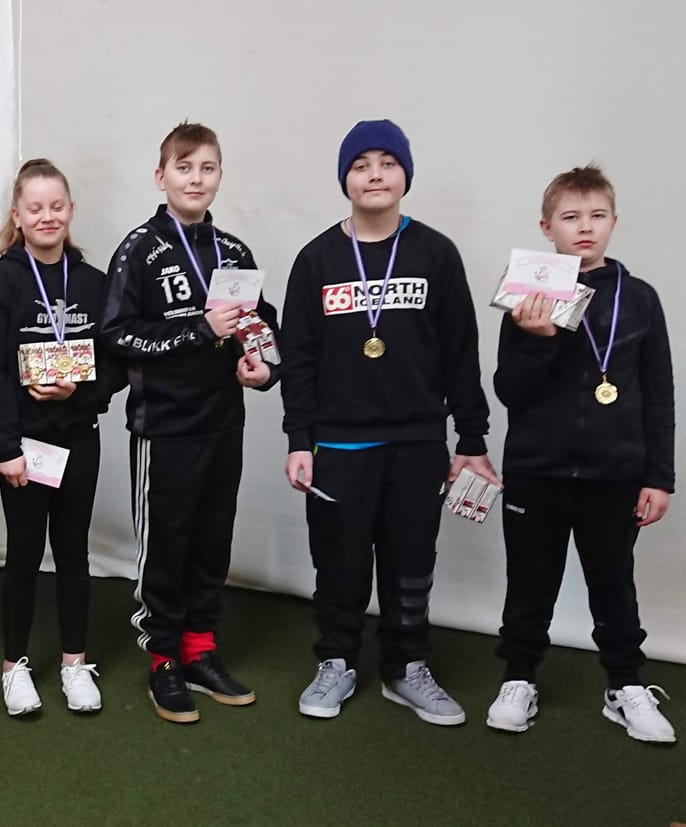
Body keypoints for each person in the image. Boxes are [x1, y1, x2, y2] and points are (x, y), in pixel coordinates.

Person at [280, 119, 497, 726]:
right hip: (339, 444)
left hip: (417, 442)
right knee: (340, 564)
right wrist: (299, 439)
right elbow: (298, 358)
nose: (374, 175)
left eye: (387, 163)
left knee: (411, 561)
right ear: (344, 179)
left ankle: (407, 666)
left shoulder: (435, 253)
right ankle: (337, 661)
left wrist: (472, 438)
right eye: (360, 165)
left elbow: (460, 353)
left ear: (405, 174)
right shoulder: (317, 259)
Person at [486, 164, 675, 743]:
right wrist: (540, 341)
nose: (585, 227)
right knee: (529, 582)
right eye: (570, 217)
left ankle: (625, 686)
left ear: (614, 221)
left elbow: (659, 394)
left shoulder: (640, 300)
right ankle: (518, 679)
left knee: (614, 584)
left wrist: (659, 476)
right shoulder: (527, 296)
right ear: (547, 227)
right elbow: (509, 391)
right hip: (536, 471)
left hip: (615, 474)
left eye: (596, 216)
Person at [100, 122, 281, 724]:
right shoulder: (138, 248)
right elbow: (116, 334)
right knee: (166, 546)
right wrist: (199, 330)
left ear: (220, 176)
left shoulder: (234, 252)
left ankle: (200, 650)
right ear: (161, 177)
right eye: (184, 168)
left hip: (223, 423)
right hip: (164, 428)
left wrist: (264, 366)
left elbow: (261, 323)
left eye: (207, 168)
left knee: (212, 540)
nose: (195, 179)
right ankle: (163, 661)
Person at [0, 158, 121, 716]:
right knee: (23, 554)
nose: (47, 216)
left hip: (79, 437)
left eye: (57, 206)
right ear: (17, 215)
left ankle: (74, 663)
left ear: (71, 211)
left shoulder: (94, 283)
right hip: (25, 448)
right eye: (34, 208)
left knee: (75, 553)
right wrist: (6, 447)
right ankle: (14, 667)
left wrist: (78, 393)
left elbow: (115, 366)